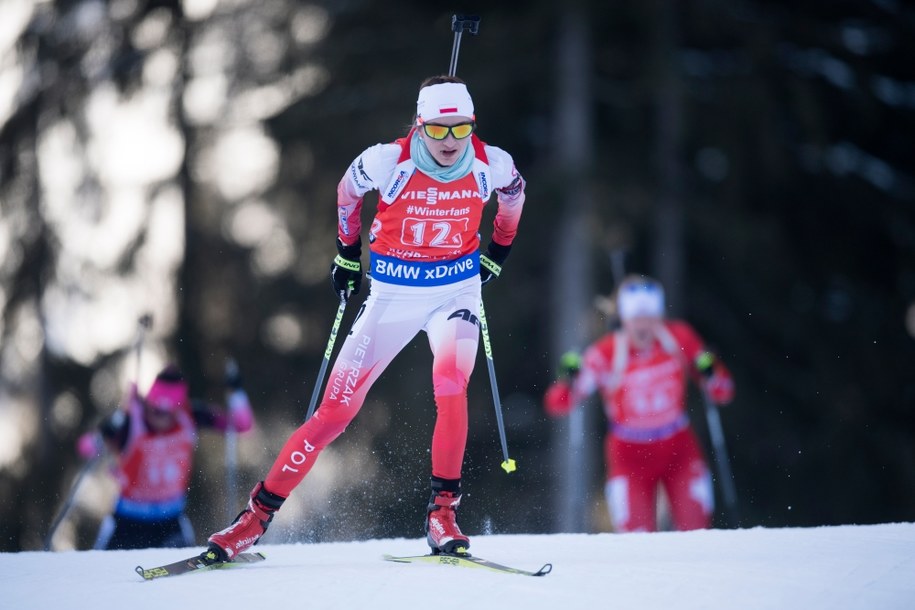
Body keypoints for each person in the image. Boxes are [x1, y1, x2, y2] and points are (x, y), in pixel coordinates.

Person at [204, 75, 526, 562]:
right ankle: (252, 519)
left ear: (471, 126)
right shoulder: (386, 161)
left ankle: (442, 514)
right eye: (437, 131)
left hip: (453, 294)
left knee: (451, 386)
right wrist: (346, 254)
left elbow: (515, 197)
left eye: (459, 130)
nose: (448, 142)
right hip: (391, 299)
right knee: (334, 414)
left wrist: (498, 250)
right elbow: (346, 193)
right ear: (419, 126)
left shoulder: (491, 164)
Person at [543, 275, 735, 532]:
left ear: (659, 316)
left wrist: (712, 370)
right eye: (636, 318)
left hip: (678, 448)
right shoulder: (606, 351)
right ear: (623, 318)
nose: (643, 326)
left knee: (697, 530)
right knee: (637, 540)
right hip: (629, 455)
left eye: (649, 317)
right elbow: (558, 403)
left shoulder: (679, 338)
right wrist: (568, 378)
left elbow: (723, 392)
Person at [76, 364, 254, 549]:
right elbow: (85, 447)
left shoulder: (191, 416)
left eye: (166, 414)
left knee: (186, 572)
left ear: (178, 409)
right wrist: (104, 433)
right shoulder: (130, 421)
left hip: (170, 522)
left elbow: (241, 424)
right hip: (128, 522)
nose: (159, 418)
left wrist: (237, 393)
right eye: (155, 410)